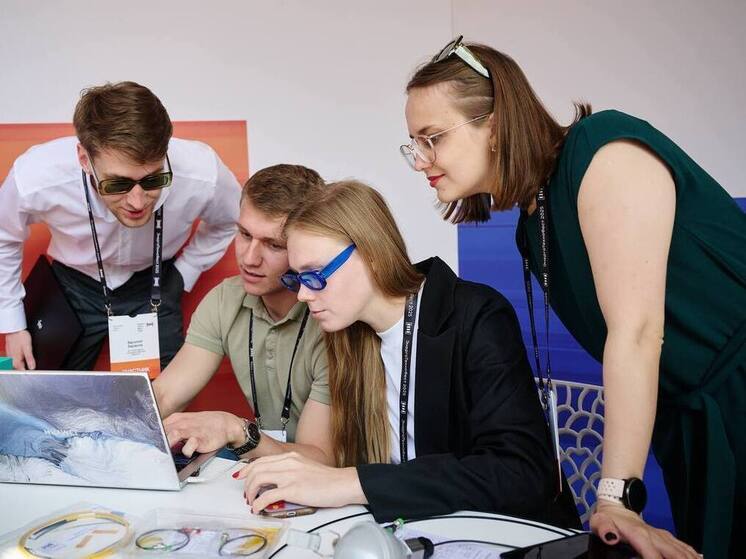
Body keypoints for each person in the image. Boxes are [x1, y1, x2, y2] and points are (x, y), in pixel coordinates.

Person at [398, 36, 745, 558]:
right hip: (693, 426)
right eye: (413, 144)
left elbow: (637, 333)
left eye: (432, 138)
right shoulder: (531, 222)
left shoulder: (601, 150)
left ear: (495, 124)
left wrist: (615, 497)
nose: (420, 160)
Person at [238, 180, 580, 529]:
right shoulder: (347, 337)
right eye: (297, 279)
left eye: (315, 275)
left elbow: (520, 473)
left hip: (505, 533)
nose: (302, 296)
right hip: (413, 529)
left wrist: (352, 483)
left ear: (372, 255)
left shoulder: (476, 316)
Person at [0, 81, 241, 372]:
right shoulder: (37, 176)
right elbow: (3, 236)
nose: (137, 202)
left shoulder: (202, 173)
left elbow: (231, 220)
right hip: (73, 285)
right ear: (84, 159)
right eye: (117, 184)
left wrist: (185, 272)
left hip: (155, 283)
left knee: (165, 395)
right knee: (46, 393)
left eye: (153, 180)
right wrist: (12, 323)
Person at [153, 164, 333, 465]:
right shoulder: (226, 298)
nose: (250, 258)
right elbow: (165, 396)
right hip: (265, 466)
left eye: (274, 245)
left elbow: (321, 461)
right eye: (244, 234)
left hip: (336, 480)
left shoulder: (331, 315)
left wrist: (235, 430)